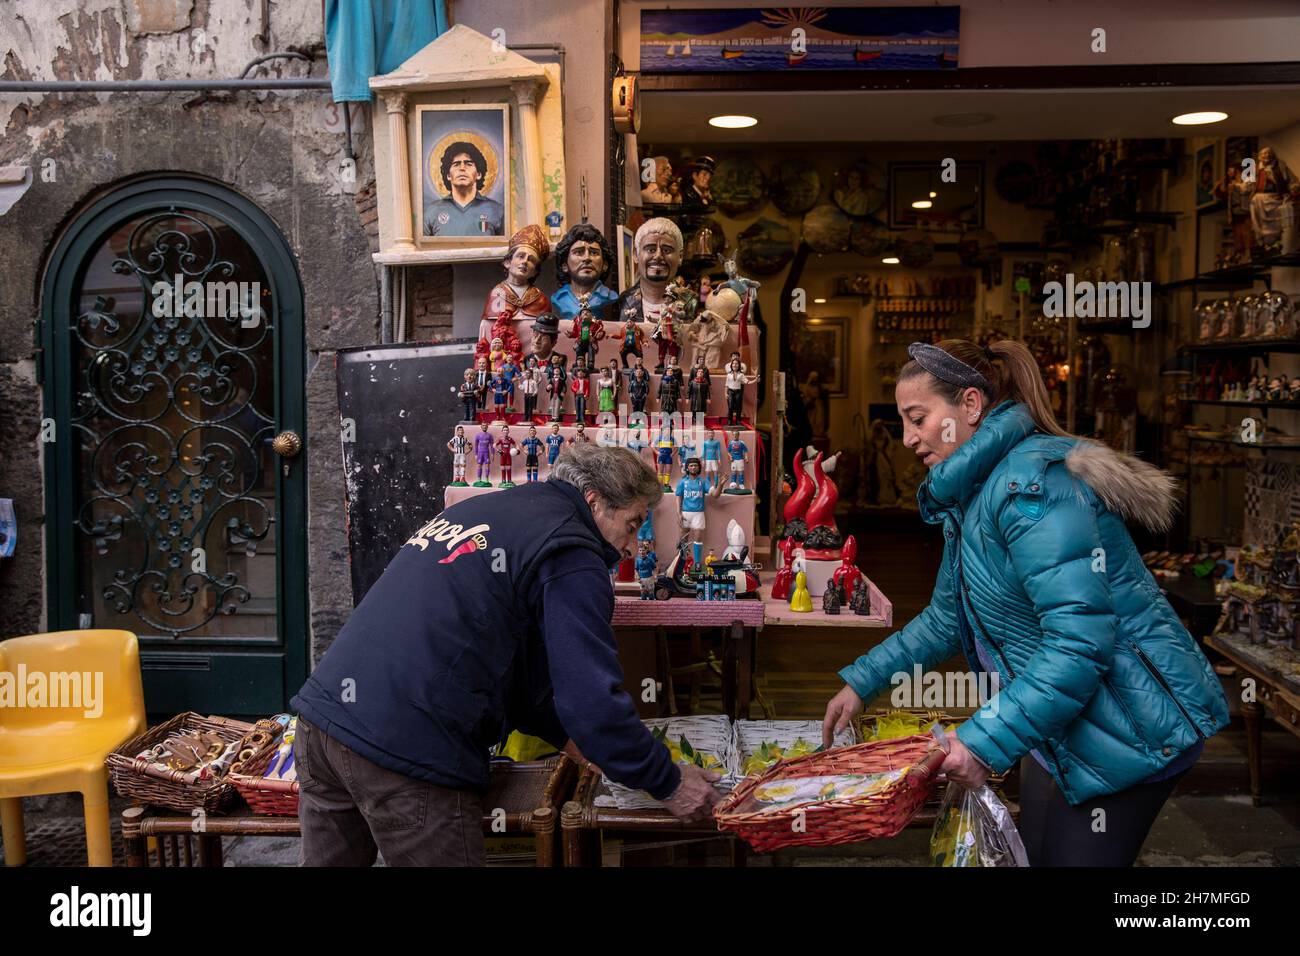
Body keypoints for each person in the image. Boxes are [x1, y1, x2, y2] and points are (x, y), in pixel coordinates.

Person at [821, 338, 1231, 867]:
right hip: (1059, 722)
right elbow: (948, 618)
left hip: (1130, 728)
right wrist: (864, 680)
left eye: (918, 418)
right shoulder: (973, 493)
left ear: (969, 406)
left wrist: (981, 742)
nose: (907, 438)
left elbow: (1078, 645)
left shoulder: (1031, 488)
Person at [292, 443, 722, 865]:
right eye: (632, 524)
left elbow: (517, 666)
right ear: (595, 501)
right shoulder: (573, 551)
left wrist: (570, 738)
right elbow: (591, 700)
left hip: (322, 723)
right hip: (406, 747)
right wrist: (668, 782)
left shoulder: (491, 510)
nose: (630, 546)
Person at [614, 218, 689, 374]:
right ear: (635, 255)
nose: (658, 256)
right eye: (650, 249)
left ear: (680, 256)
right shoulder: (621, 303)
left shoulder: (691, 304)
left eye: (667, 250)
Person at [423, 141, 506, 237]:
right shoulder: (432, 211)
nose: (462, 168)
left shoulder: (497, 210)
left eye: (468, 164)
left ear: (478, 174)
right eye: (456, 164)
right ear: (449, 175)